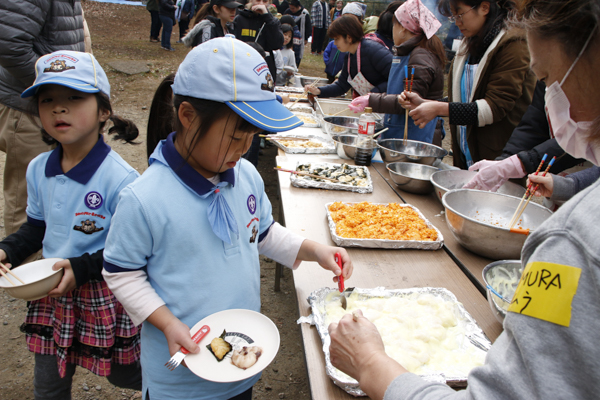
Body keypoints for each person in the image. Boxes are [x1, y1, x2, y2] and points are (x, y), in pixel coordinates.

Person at [328, 1, 600, 399]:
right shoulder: (466, 48)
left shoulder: (575, 244)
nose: (548, 100)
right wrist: (523, 167)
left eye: (549, 79)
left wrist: (370, 364)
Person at [102, 36, 354, 400]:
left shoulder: (246, 177)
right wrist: (167, 323)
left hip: (240, 357)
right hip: (181, 375)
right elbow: (121, 273)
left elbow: (263, 233)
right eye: (236, 136)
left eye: (252, 136)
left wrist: (315, 250)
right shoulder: (145, 199)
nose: (244, 148)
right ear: (188, 116)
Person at [0, 51, 142, 399]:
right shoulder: (37, 168)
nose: (58, 109)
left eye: (74, 98)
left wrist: (81, 268)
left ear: (103, 111)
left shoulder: (122, 180)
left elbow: (130, 251)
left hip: (103, 294)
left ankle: (180, 385)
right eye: (47, 100)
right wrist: (6, 250)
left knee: (124, 375)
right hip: (50, 293)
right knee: (48, 386)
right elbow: (36, 229)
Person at [400, 0, 536, 169]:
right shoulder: (469, 42)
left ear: (484, 7)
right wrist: (425, 103)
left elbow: (494, 108)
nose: (457, 22)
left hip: (498, 160)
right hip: (466, 152)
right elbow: (466, 97)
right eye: (453, 17)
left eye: (460, 14)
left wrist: (437, 109)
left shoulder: (513, 43)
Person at [0, 0, 85, 243]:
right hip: (30, 110)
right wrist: (52, 91)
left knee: (57, 190)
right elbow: (9, 45)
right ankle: (24, 274)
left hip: (55, 106)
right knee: (27, 199)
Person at [348, 0, 446, 144]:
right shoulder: (406, 52)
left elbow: (410, 101)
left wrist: (372, 100)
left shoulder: (421, 56)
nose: (392, 29)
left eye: (395, 24)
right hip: (399, 130)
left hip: (416, 137)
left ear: (403, 28)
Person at [464, 80, 585, 191]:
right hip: (556, 179)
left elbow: (581, 136)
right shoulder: (546, 77)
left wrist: (518, 163)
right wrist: (506, 159)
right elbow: (534, 125)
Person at [306, 15, 392, 99]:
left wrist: (372, 94)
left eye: (337, 39)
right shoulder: (350, 56)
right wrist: (319, 91)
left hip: (385, 105)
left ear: (349, 37)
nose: (335, 43)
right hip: (372, 104)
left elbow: (395, 78)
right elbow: (342, 86)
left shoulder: (373, 50)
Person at [234, 0, 284, 78]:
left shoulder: (273, 21)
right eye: (257, 0)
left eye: (265, 1)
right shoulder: (239, 19)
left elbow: (277, 44)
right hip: (243, 67)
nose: (261, 4)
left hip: (264, 68)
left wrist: (267, 17)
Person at [283, 1, 312, 66]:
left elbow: (308, 26)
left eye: (293, 8)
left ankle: (295, 63)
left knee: (296, 52)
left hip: (298, 37)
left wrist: (306, 37)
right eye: (290, 8)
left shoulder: (304, 13)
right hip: (287, 35)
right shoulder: (287, 12)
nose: (291, 10)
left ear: (298, 7)